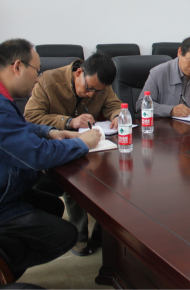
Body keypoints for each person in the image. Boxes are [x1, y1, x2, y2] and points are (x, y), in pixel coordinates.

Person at [0, 39, 101, 288]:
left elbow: (15, 129)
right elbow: (36, 155)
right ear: (17, 67)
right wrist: (82, 143)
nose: (38, 78)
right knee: (64, 235)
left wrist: (50, 132)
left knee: (52, 206)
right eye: (36, 70)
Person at [24, 52, 122, 256]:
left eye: (98, 91)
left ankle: (103, 233)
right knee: (77, 179)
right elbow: (30, 118)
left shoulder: (101, 85)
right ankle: (79, 236)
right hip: (56, 147)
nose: (92, 95)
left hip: (92, 147)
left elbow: (114, 105)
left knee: (114, 177)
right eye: (89, 88)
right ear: (79, 73)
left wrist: (117, 115)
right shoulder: (48, 81)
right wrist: (68, 122)